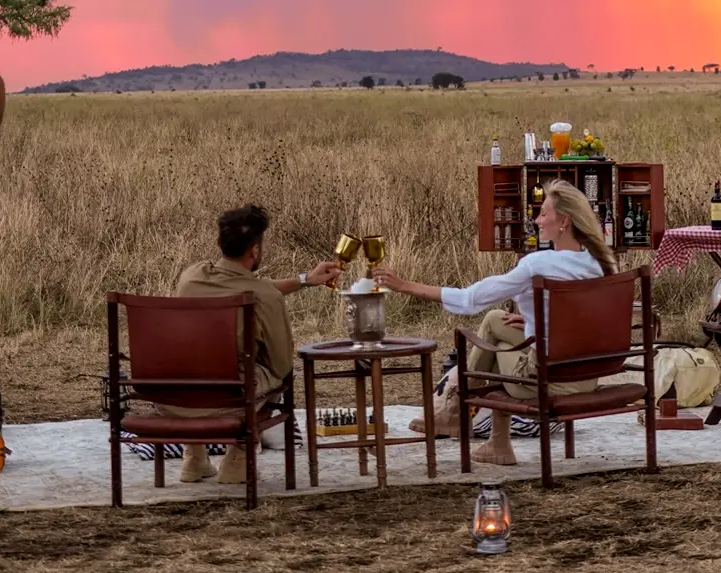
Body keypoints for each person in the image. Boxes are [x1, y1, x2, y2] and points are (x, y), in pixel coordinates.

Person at [372, 180, 616, 466]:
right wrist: (534, 318)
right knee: (496, 320)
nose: (537, 220)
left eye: (544, 214)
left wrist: (404, 285)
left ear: (564, 221)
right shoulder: (601, 264)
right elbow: (586, 320)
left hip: (548, 382)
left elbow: (470, 299)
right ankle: (494, 441)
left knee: (495, 341)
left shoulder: (537, 265)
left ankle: (455, 410)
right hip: (587, 374)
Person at [161, 204, 341, 485]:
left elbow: (239, 283)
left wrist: (305, 280)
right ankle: (238, 457)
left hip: (173, 395)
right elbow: (280, 360)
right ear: (255, 251)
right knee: (279, 373)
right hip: (229, 399)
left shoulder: (191, 276)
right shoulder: (264, 297)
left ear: (219, 242)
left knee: (197, 361)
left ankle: (194, 457)